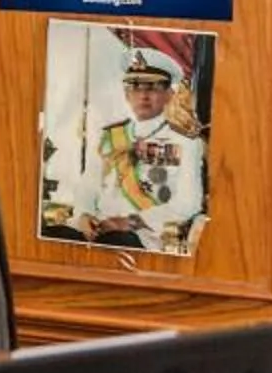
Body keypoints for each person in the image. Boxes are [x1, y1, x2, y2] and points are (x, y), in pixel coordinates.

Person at [81, 50, 206, 252]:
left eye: (154, 87)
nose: (143, 95)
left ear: (169, 94)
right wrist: (84, 215)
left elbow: (189, 202)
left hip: (146, 236)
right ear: (126, 94)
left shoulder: (186, 142)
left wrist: (132, 222)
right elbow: (88, 186)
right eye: (135, 86)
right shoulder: (108, 137)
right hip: (99, 230)